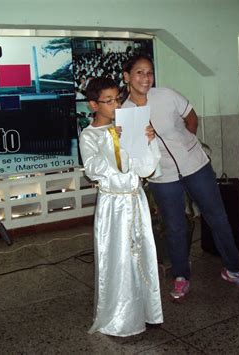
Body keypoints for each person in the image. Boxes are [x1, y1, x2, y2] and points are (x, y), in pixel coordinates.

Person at [121, 54, 239, 300]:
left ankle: (234, 269)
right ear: (127, 77)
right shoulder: (126, 112)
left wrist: (188, 142)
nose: (146, 77)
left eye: (149, 72)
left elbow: (191, 117)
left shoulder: (165, 95)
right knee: (175, 227)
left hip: (195, 165)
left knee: (217, 217)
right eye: (139, 72)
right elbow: (134, 150)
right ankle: (181, 276)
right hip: (162, 176)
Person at [79, 77, 163, 336]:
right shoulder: (89, 135)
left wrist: (147, 140)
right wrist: (114, 143)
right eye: (108, 101)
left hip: (135, 199)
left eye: (118, 98)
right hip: (113, 205)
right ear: (94, 104)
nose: (116, 105)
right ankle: (120, 317)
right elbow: (94, 170)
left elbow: (146, 169)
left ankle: (147, 310)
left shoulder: (127, 126)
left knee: (143, 253)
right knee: (118, 258)